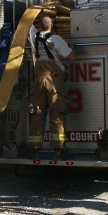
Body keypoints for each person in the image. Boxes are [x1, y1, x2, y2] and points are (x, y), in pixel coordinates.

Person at [27, 14, 75, 160]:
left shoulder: (33, 36)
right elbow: (71, 57)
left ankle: (35, 150)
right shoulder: (56, 39)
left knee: (37, 114)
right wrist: (71, 47)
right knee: (57, 113)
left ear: (39, 26)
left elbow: (28, 26)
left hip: (38, 79)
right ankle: (58, 149)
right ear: (52, 26)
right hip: (54, 81)